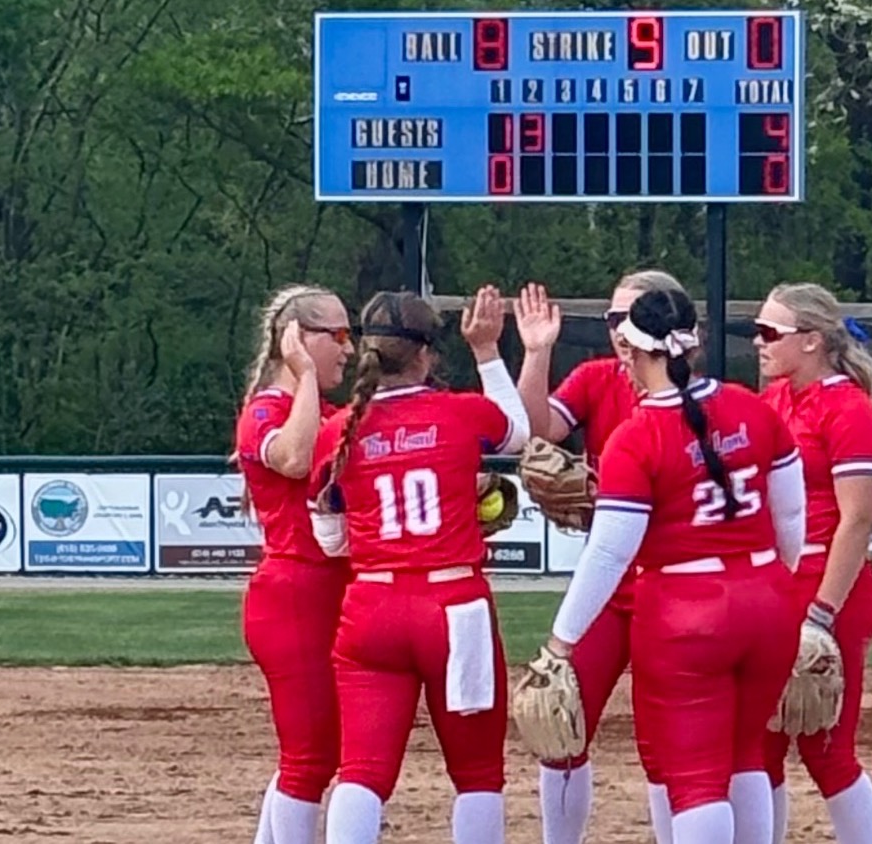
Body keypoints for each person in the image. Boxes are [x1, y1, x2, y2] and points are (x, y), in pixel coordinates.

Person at [538, 287, 809, 844]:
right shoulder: (753, 407)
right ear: (695, 343)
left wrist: (561, 641)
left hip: (686, 614)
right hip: (767, 599)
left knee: (695, 780)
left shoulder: (637, 436)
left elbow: (611, 551)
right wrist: (772, 581)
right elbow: (792, 517)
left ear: (632, 353)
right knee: (746, 756)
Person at [311, 287, 530, 844]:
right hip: (454, 606)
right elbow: (519, 432)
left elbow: (332, 542)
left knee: (361, 771)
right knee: (478, 774)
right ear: (427, 355)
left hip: (372, 606)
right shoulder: (457, 412)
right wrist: (486, 352)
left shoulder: (338, 431)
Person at [513, 270, 687, 844]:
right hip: (608, 593)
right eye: (612, 318)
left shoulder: (694, 396)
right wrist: (537, 353)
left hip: (672, 593)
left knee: (669, 750)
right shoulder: (597, 379)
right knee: (560, 725)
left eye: (629, 317)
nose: (617, 329)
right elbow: (535, 431)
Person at [754, 282, 872, 844]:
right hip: (774, 590)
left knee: (826, 748)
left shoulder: (848, 409)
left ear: (811, 341)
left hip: (829, 593)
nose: (758, 343)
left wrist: (822, 614)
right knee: (757, 749)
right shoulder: (773, 401)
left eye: (770, 333)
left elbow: (857, 519)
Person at [232, 284, 355, 844]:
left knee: (315, 756)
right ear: (297, 339)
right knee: (311, 759)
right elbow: (294, 457)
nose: (349, 350)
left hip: (329, 595)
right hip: (293, 599)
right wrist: (304, 372)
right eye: (338, 335)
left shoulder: (323, 410)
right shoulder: (266, 410)